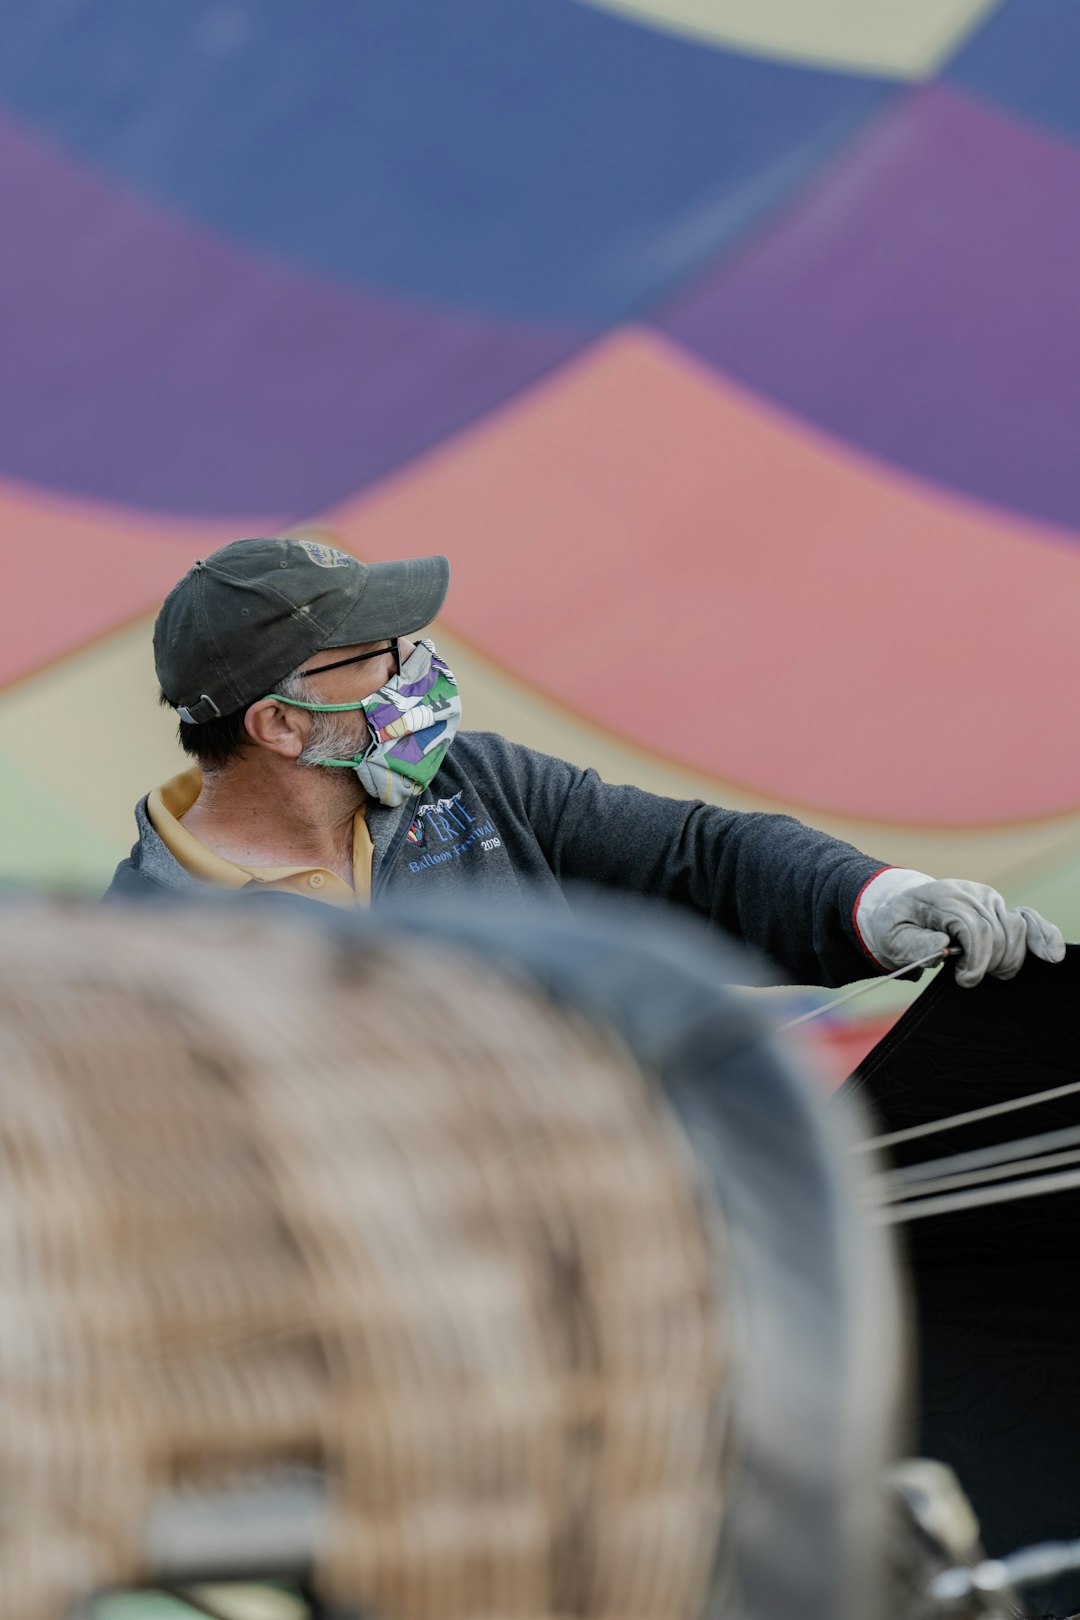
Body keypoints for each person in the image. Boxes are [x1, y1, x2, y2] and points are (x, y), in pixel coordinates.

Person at [106, 536, 1065, 989]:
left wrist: (878, 902)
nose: (420, 668)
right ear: (278, 723)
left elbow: (702, 858)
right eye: (382, 654)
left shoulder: (479, 786)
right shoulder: (138, 957)